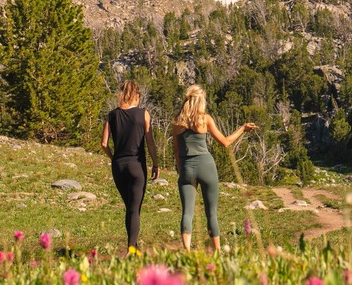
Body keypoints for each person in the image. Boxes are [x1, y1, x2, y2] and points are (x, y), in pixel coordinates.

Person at [172, 85, 257, 252]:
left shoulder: (177, 122)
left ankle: (187, 252)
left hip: (187, 167)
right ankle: (217, 251)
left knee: (187, 212)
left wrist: (181, 169)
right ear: (201, 101)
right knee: (211, 212)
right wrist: (242, 129)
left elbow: (176, 151)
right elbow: (225, 142)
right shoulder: (205, 119)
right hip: (206, 165)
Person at [101, 80, 158, 251]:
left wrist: (114, 157)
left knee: (129, 207)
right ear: (136, 95)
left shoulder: (111, 115)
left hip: (118, 166)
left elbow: (104, 143)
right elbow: (150, 142)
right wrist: (155, 163)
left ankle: (134, 245)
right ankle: (132, 247)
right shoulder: (143, 114)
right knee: (134, 208)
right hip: (136, 165)